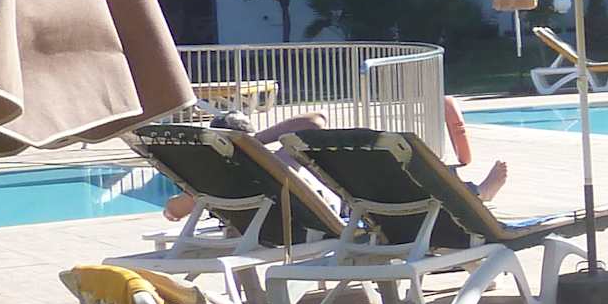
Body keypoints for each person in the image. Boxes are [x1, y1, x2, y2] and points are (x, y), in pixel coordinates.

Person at [160, 99, 507, 223]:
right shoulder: (275, 161)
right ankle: (475, 193)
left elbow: (172, 211)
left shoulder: (215, 182)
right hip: (331, 215)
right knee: (405, 193)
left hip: (297, 220)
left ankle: (475, 191)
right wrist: (257, 144)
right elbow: (314, 122)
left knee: (403, 189)